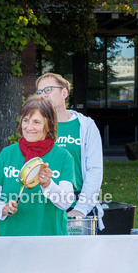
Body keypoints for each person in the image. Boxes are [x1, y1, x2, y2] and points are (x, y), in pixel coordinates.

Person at [0, 95, 76, 235]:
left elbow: (66, 203)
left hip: (50, 238)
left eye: (36, 122)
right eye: (26, 120)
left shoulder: (63, 157)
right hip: (12, 238)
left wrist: (48, 185)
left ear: (49, 125)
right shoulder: (6, 154)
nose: (29, 127)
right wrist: (2, 208)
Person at [34, 73, 105, 228]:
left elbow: (95, 170)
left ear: (64, 93)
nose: (43, 95)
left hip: (75, 204)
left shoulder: (85, 126)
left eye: (48, 89)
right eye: (39, 92)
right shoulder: (35, 127)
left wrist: (81, 208)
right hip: (43, 203)